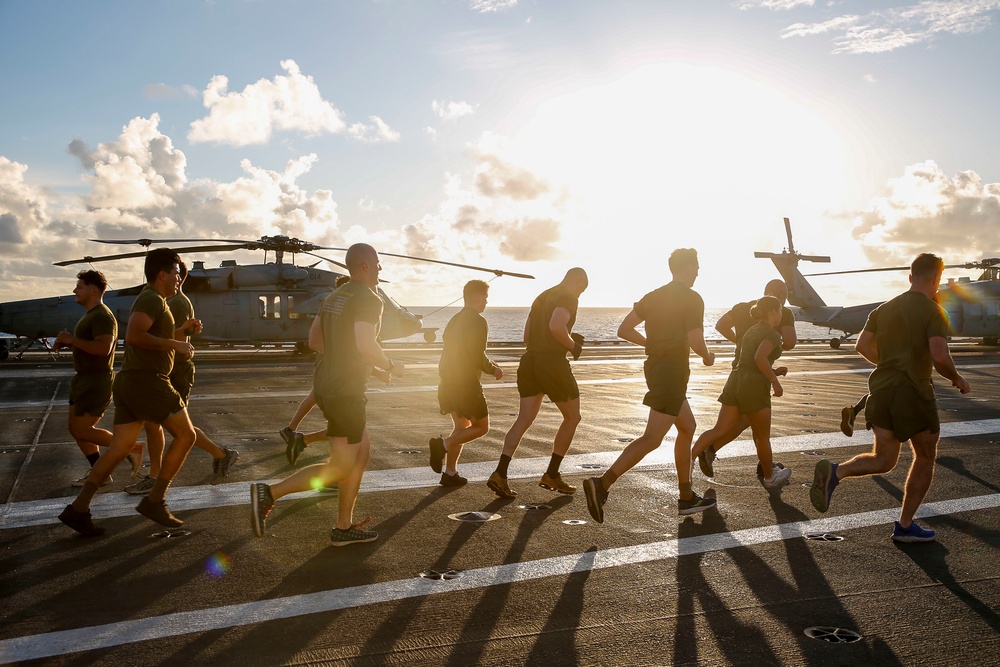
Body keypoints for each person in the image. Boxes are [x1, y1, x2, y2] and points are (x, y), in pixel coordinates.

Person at [810, 253, 971, 543]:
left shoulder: (883, 309)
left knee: (884, 458)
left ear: (911, 277)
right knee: (924, 456)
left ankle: (837, 471)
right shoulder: (934, 311)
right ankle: (906, 526)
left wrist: (889, 364)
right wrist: (956, 378)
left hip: (880, 391)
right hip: (912, 393)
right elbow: (939, 356)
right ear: (936, 278)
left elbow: (862, 345)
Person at [250, 243, 404, 546]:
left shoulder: (334, 296)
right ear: (364, 266)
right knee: (341, 465)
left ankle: (343, 527)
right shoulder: (368, 298)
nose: (380, 269)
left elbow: (316, 342)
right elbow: (364, 343)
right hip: (346, 392)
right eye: (377, 263)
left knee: (361, 453)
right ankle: (270, 492)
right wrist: (390, 364)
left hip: (327, 384)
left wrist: (367, 368)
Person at [58, 248, 199, 536]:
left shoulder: (155, 300)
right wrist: (176, 345)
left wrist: (182, 333)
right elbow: (135, 336)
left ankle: (78, 508)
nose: (178, 279)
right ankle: (155, 500)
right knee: (187, 436)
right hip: (148, 380)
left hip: (131, 381)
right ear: (161, 274)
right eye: (175, 273)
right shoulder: (152, 298)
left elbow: (150, 336)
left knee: (120, 448)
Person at [583, 249, 716, 523]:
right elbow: (695, 339)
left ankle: (686, 496)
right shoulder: (692, 298)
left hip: (657, 368)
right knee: (653, 438)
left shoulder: (653, 296)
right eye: (697, 267)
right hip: (672, 371)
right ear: (689, 267)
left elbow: (624, 329)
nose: (698, 273)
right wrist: (707, 356)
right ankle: (602, 483)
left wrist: (652, 345)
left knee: (687, 427)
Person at [126, 260, 237, 495]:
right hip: (168, 369)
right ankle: (220, 454)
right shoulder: (168, 300)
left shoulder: (175, 302)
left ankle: (156, 479)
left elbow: (179, 341)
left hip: (175, 369)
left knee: (166, 427)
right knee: (162, 426)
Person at [487, 268, 588, 498]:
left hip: (530, 361)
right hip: (552, 363)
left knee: (524, 419)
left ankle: (500, 473)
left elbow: (527, 337)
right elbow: (556, 326)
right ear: (576, 281)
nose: (580, 295)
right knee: (573, 417)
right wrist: (573, 346)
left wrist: (565, 339)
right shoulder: (568, 297)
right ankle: (552, 473)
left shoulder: (542, 296)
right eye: (582, 289)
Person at [695, 279, 796, 477]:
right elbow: (790, 342)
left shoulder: (742, 308)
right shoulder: (780, 311)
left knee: (748, 420)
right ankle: (765, 470)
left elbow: (720, 325)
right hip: (757, 376)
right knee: (760, 428)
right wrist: (774, 346)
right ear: (780, 297)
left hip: (738, 371)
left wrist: (741, 343)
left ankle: (705, 452)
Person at [54, 270, 142, 486]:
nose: (75, 290)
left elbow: (104, 348)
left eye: (80, 286)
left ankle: (132, 448)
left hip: (95, 380)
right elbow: (92, 345)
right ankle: (99, 473)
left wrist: (73, 340)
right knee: (76, 429)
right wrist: (71, 342)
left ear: (94, 290)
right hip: (84, 380)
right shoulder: (91, 314)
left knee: (82, 429)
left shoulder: (102, 315)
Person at [429, 280, 504, 486]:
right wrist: (493, 369)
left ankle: (450, 473)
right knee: (481, 427)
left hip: (447, 382)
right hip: (466, 384)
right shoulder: (478, 321)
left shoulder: (454, 320)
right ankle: (442, 445)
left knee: (461, 426)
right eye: (486, 298)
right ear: (478, 297)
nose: (486, 303)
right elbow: (476, 354)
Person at [280, 275, 351, 466]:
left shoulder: (327, 308)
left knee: (316, 398)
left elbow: (315, 341)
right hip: (338, 375)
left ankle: (293, 432)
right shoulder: (344, 312)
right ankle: (331, 469)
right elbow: (350, 350)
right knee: (348, 427)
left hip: (324, 368)